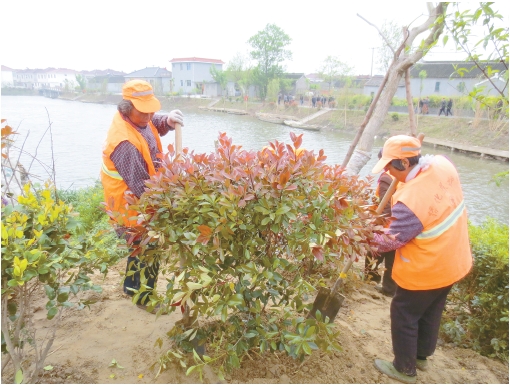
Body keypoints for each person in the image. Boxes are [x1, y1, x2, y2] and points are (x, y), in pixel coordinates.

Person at [371, 135, 473, 383]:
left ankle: (404, 369)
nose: (386, 171)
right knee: (431, 309)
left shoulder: (412, 201)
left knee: (405, 313)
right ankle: (421, 356)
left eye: (389, 166)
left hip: (428, 268)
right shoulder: (442, 164)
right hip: (454, 259)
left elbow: (390, 241)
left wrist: (360, 236)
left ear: (405, 163)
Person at [101, 79, 185, 314]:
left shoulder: (138, 119)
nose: (149, 116)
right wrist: (173, 203)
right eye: (144, 111)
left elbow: (151, 126)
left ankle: (130, 287)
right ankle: (144, 298)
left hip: (136, 202)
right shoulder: (124, 143)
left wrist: (166, 121)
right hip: (131, 207)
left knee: (137, 249)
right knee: (149, 249)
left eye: (152, 110)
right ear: (127, 108)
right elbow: (143, 189)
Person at [364, 150, 396, 297]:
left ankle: (371, 280)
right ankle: (389, 288)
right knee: (392, 258)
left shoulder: (386, 178)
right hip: (397, 225)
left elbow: (386, 205)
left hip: (386, 224)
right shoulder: (400, 177)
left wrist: (378, 223)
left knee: (375, 252)